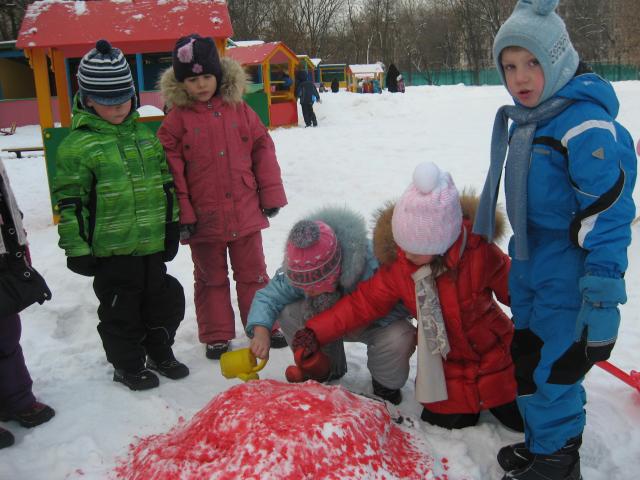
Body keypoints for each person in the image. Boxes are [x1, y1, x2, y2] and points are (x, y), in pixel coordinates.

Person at [473, 1, 637, 479]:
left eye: (532, 64)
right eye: (509, 66)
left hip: (569, 274)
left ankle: (558, 464)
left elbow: (608, 217)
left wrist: (603, 298)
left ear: (559, 60)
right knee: (530, 359)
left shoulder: (584, 124)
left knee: (555, 369)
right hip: (532, 264)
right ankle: (548, 443)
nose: (520, 77)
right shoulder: (536, 119)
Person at [292, 163, 523, 429]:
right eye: (402, 244)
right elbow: (361, 304)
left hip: (498, 355)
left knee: (522, 421)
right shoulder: (401, 268)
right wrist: (315, 331)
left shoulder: (479, 253)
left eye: (413, 248)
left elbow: (518, 291)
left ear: (440, 242)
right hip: (448, 368)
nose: (405, 253)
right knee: (442, 424)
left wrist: (535, 330)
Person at [54, 40, 188, 391]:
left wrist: (171, 226)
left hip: (150, 246)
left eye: (123, 99)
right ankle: (127, 365)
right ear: (87, 99)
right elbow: (70, 203)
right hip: (111, 252)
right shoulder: (77, 147)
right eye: (107, 101)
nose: (117, 108)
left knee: (162, 301)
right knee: (120, 312)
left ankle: (159, 351)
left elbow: (165, 186)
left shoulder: (146, 139)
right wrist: (77, 248)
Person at [157, 34, 288, 360]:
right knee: (209, 278)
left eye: (206, 77)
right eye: (192, 79)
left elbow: (262, 149)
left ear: (218, 75)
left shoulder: (240, 110)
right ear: (181, 82)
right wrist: (182, 215)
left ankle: (263, 325)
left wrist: (270, 193)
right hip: (202, 218)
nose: (200, 85)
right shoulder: (176, 121)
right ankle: (216, 334)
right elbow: (170, 171)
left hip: (244, 210)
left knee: (254, 274)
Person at [246, 206, 415, 405]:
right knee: (289, 310)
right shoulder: (299, 266)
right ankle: (321, 369)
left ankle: (385, 385)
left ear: (333, 274)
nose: (306, 292)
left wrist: (360, 320)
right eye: (302, 287)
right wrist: (261, 330)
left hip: (372, 324)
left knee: (399, 335)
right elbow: (269, 296)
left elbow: (403, 304)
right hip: (323, 326)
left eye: (313, 288)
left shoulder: (372, 262)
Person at [0, 158, 54, 448]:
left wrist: (18, 244)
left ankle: (16, 399)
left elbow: (6, 198)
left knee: (7, 334)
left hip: (3, 256)